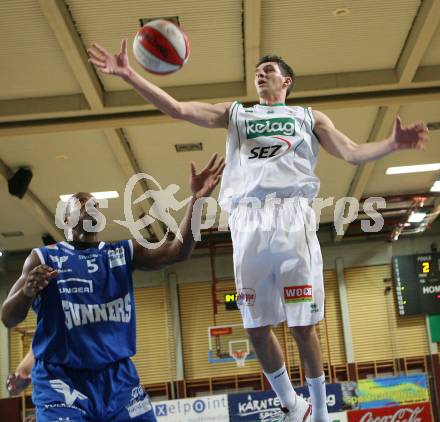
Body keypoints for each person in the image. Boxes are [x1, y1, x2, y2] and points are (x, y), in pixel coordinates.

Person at [87, 40, 428, 422]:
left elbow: (351, 152)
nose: (261, 73)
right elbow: (179, 109)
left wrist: (391, 144)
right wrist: (130, 75)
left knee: (303, 326)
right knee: (255, 328)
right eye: (258, 70)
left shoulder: (308, 117)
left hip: (291, 219)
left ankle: (321, 411)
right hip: (248, 223)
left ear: (287, 81)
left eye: (269, 69)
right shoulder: (236, 115)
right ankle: (292, 404)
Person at [1, 155, 225, 422]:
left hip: (118, 380)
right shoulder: (43, 258)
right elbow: (8, 317)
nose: (90, 206)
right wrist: (27, 291)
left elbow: (178, 251)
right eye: (81, 203)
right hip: (61, 382)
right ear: (66, 218)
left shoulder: (123, 252)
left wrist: (197, 200)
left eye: (95, 204)